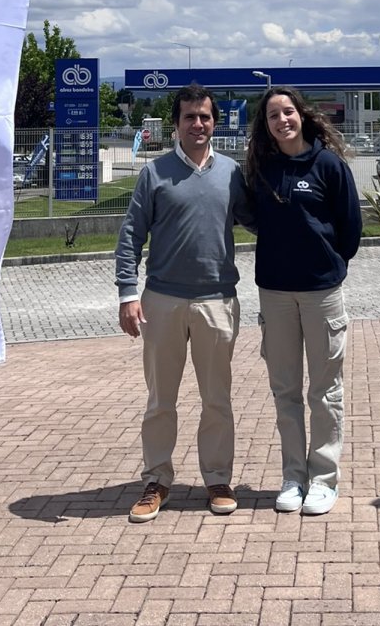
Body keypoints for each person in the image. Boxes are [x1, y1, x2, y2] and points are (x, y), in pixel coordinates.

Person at [116, 82, 252, 523]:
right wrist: (127, 294)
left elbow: (262, 221)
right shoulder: (154, 174)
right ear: (176, 124)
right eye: (190, 117)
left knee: (218, 400)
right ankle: (157, 480)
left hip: (217, 301)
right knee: (160, 400)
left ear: (215, 122)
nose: (198, 124)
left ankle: (217, 478)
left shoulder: (232, 172)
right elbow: (130, 237)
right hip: (163, 302)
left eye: (205, 117)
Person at [245, 86, 362, 515]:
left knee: (325, 390)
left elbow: (350, 229)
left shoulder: (329, 165)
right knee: (285, 391)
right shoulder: (261, 168)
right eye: (273, 115)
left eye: (288, 111)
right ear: (266, 125)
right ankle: (294, 477)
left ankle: (325, 479)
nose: (282, 120)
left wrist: (326, 262)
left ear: (302, 115)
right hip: (274, 293)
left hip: (321, 294)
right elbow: (255, 219)